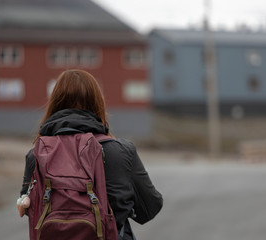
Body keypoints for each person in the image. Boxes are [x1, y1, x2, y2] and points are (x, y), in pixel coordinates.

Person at [18, 69, 163, 240]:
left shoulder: (37, 155)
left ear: (54, 104)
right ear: (98, 103)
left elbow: (31, 210)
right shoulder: (121, 151)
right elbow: (149, 208)